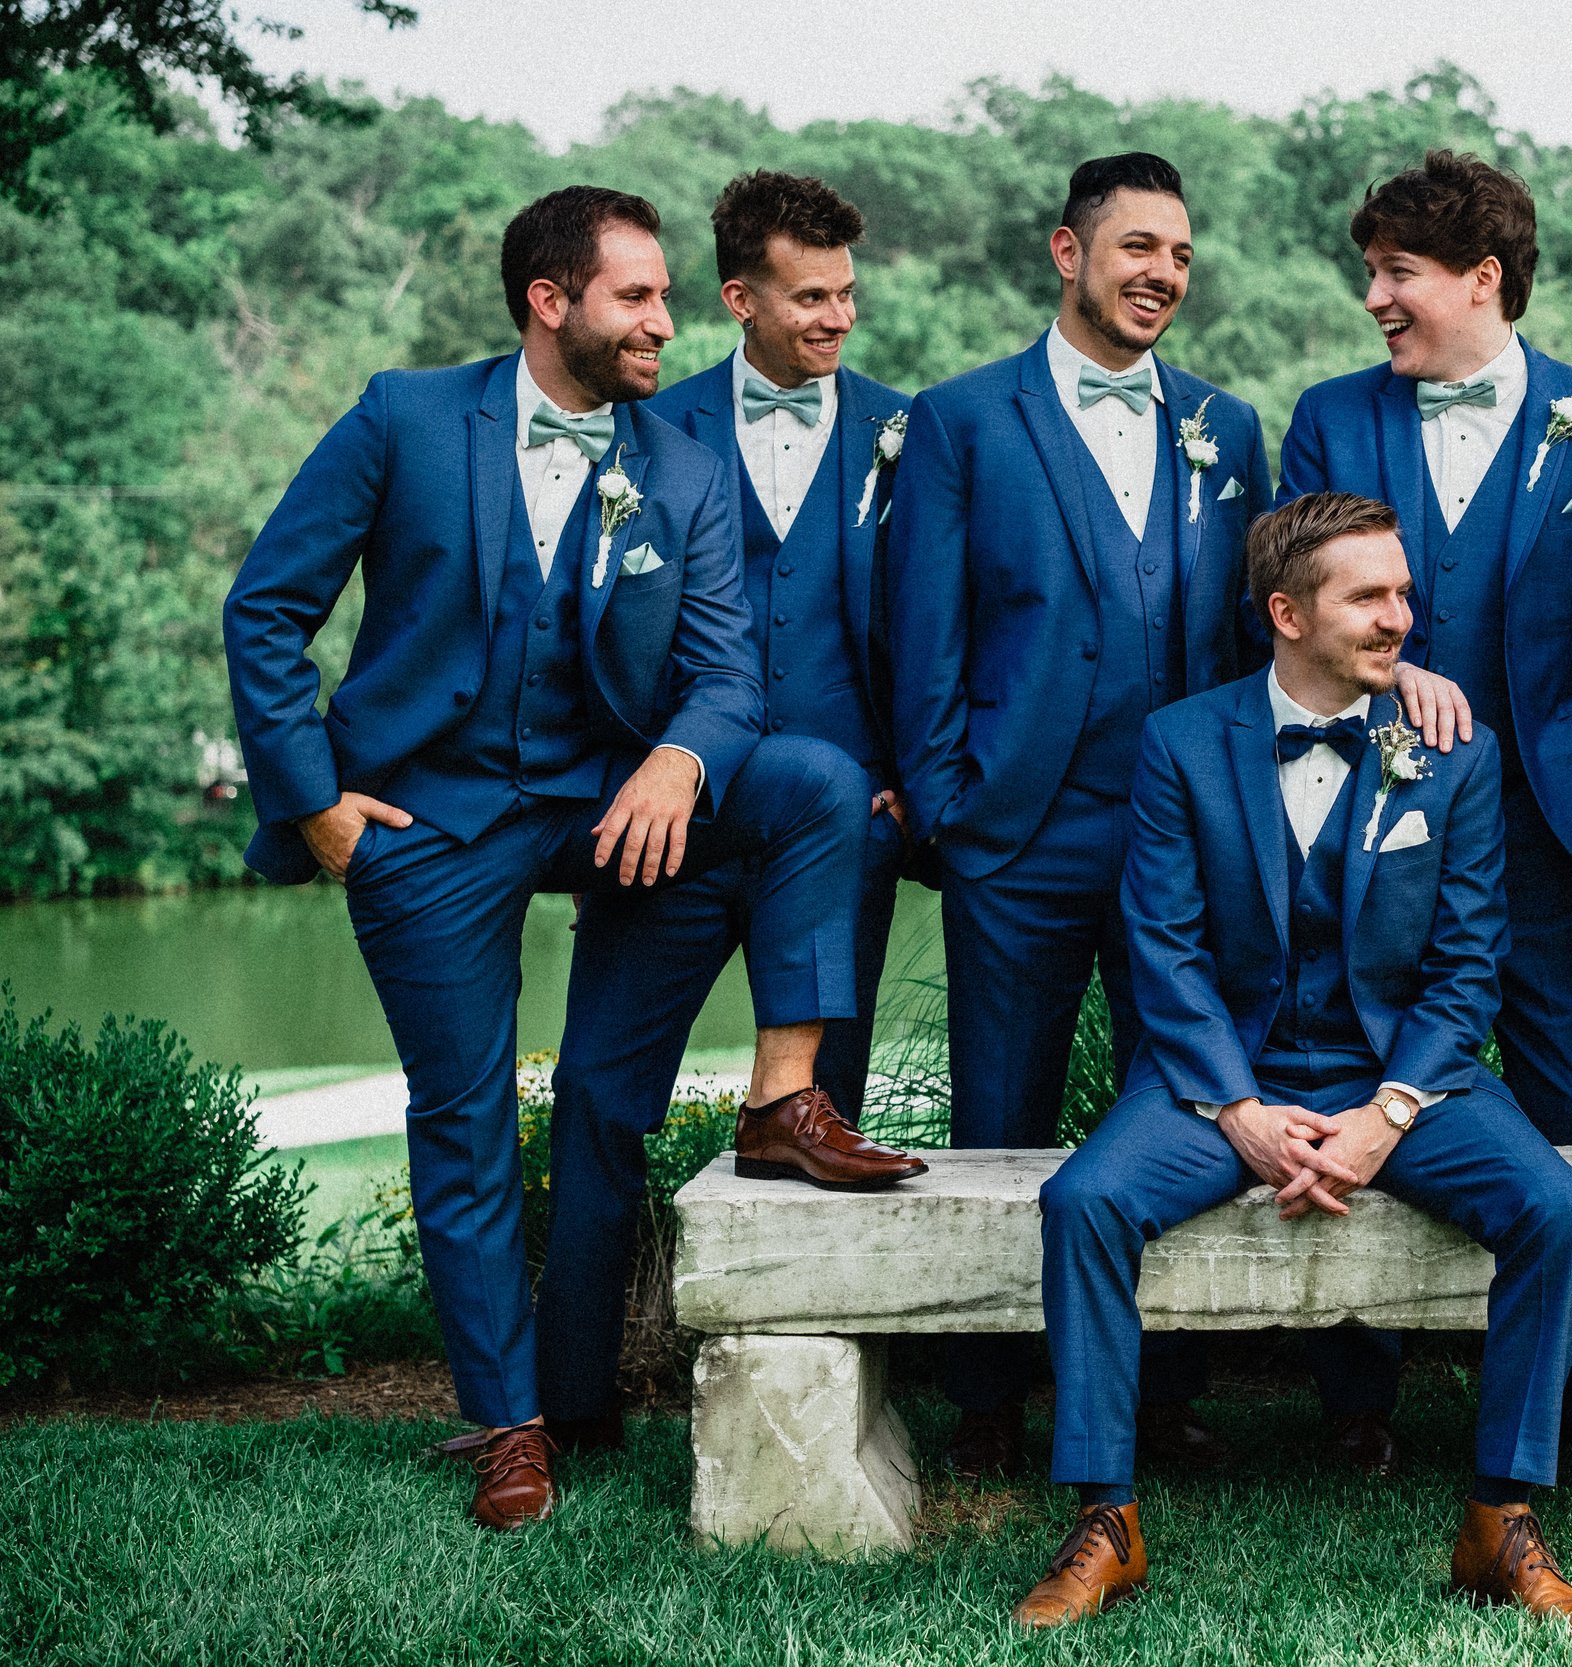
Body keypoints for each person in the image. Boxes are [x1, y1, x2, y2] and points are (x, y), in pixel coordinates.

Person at [223, 187, 910, 1531]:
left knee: (815, 782)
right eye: (635, 297)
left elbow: (725, 673)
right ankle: (512, 1423)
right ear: (551, 301)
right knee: (464, 1113)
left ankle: (785, 1098)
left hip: (603, 797)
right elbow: (266, 610)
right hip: (428, 814)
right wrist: (315, 805)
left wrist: (681, 759)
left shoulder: (680, 467)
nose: (664, 323)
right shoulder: (406, 418)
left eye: (666, 297)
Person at [884, 153, 1471, 1478]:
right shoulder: (962, 419)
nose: (1162, 274)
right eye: (1138, 247)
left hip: (1206, 839)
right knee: (1002, 1110)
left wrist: (1387, 678)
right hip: (1021, 834)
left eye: (1182, 256)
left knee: (1216, 1089)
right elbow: (921, 631)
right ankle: (988, 1397)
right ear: (1068, 252)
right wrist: (951, 808)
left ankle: (1172, 1389)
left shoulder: (1224, 424)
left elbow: (1274, 621)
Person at [1018, 492, 1572, 1631]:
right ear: (1287, 613)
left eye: (1402, 592)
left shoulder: (1453, 751)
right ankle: (1106, 1519)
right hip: (1218, 1073)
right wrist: (1237, 1108)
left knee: (1558, 1210)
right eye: (1368, 596)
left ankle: (1501, 1520)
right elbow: (1164, 949)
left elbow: (1468, 964)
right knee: (1083, 1200)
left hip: (1403, 1075)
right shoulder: (1183, 742)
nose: (1401, 616)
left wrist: (1390, 1111)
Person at [1276, 149, 1572, 1465]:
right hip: (1366, 815)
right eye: (1371, 273)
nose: (1374, 299)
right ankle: (1355, 1395)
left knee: (1563, 1081)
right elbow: (1292, 604)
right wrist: (1395, 674)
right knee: (1357, 1053)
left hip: (1547, 819)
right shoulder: (1333, 416)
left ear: (1483, 278)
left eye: (1397, 272)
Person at [537, 170, 928, 1449]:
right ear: (738, 298)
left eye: (846, 294)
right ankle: (569, 1403)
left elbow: (938, 620)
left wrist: (906, 776)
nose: (836, 318)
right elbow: (583, 621)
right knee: (600, 1099)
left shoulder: (908, 432)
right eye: (809, 296)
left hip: (838, 831)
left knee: (822, 1119)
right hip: (672, 825)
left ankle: (833, 1403)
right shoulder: (645, 423)